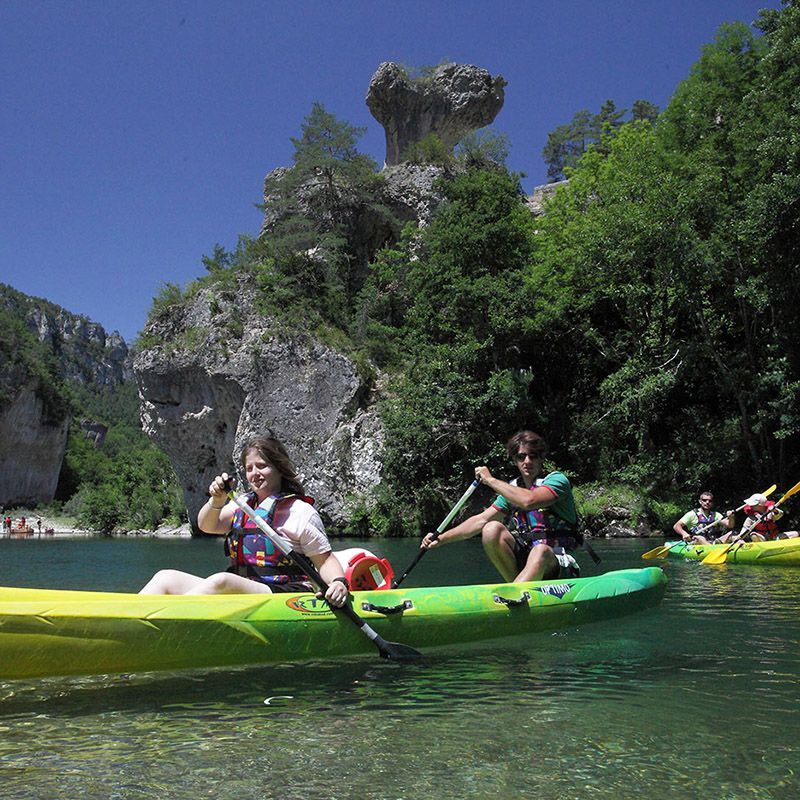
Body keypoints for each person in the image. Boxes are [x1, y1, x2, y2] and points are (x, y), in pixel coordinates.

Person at [140, 435, 349, 607]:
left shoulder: (300, 512)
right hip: (245, 588)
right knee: (165, 577)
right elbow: (206, 525)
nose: (255, 474)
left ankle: (165, 619)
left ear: (279, 469)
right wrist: (216, 500)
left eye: (262, 466)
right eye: (249, 468)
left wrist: (339, 583)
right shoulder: (241, 505)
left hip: (286, 593)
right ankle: (130, 617)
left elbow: (325, 560)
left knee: (222, 581)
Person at [420, 430, 581, 582]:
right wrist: (441, 538)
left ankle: (515, 594)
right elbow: (480, 521)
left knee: (541, 551)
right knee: (491, 529)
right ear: (514, 459)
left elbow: (529, 501)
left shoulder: (556, 480)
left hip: (559, 564)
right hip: (527, 561)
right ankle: (515, 590)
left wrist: (490, 480)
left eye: (533, 456)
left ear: (541, 458)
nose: (527, 461)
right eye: (521, 456)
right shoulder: (512, 490)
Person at [734, 493, 799, 542]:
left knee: (796, 534)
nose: (750, 506)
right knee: (753, 535)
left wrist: (775, 510)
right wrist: (739, 537)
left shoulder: (771, 512)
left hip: (775, 537)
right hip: (762, 538)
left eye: (753, 505)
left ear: (760, 505)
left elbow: (779, 515)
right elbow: (745, 528)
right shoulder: (751, 517)